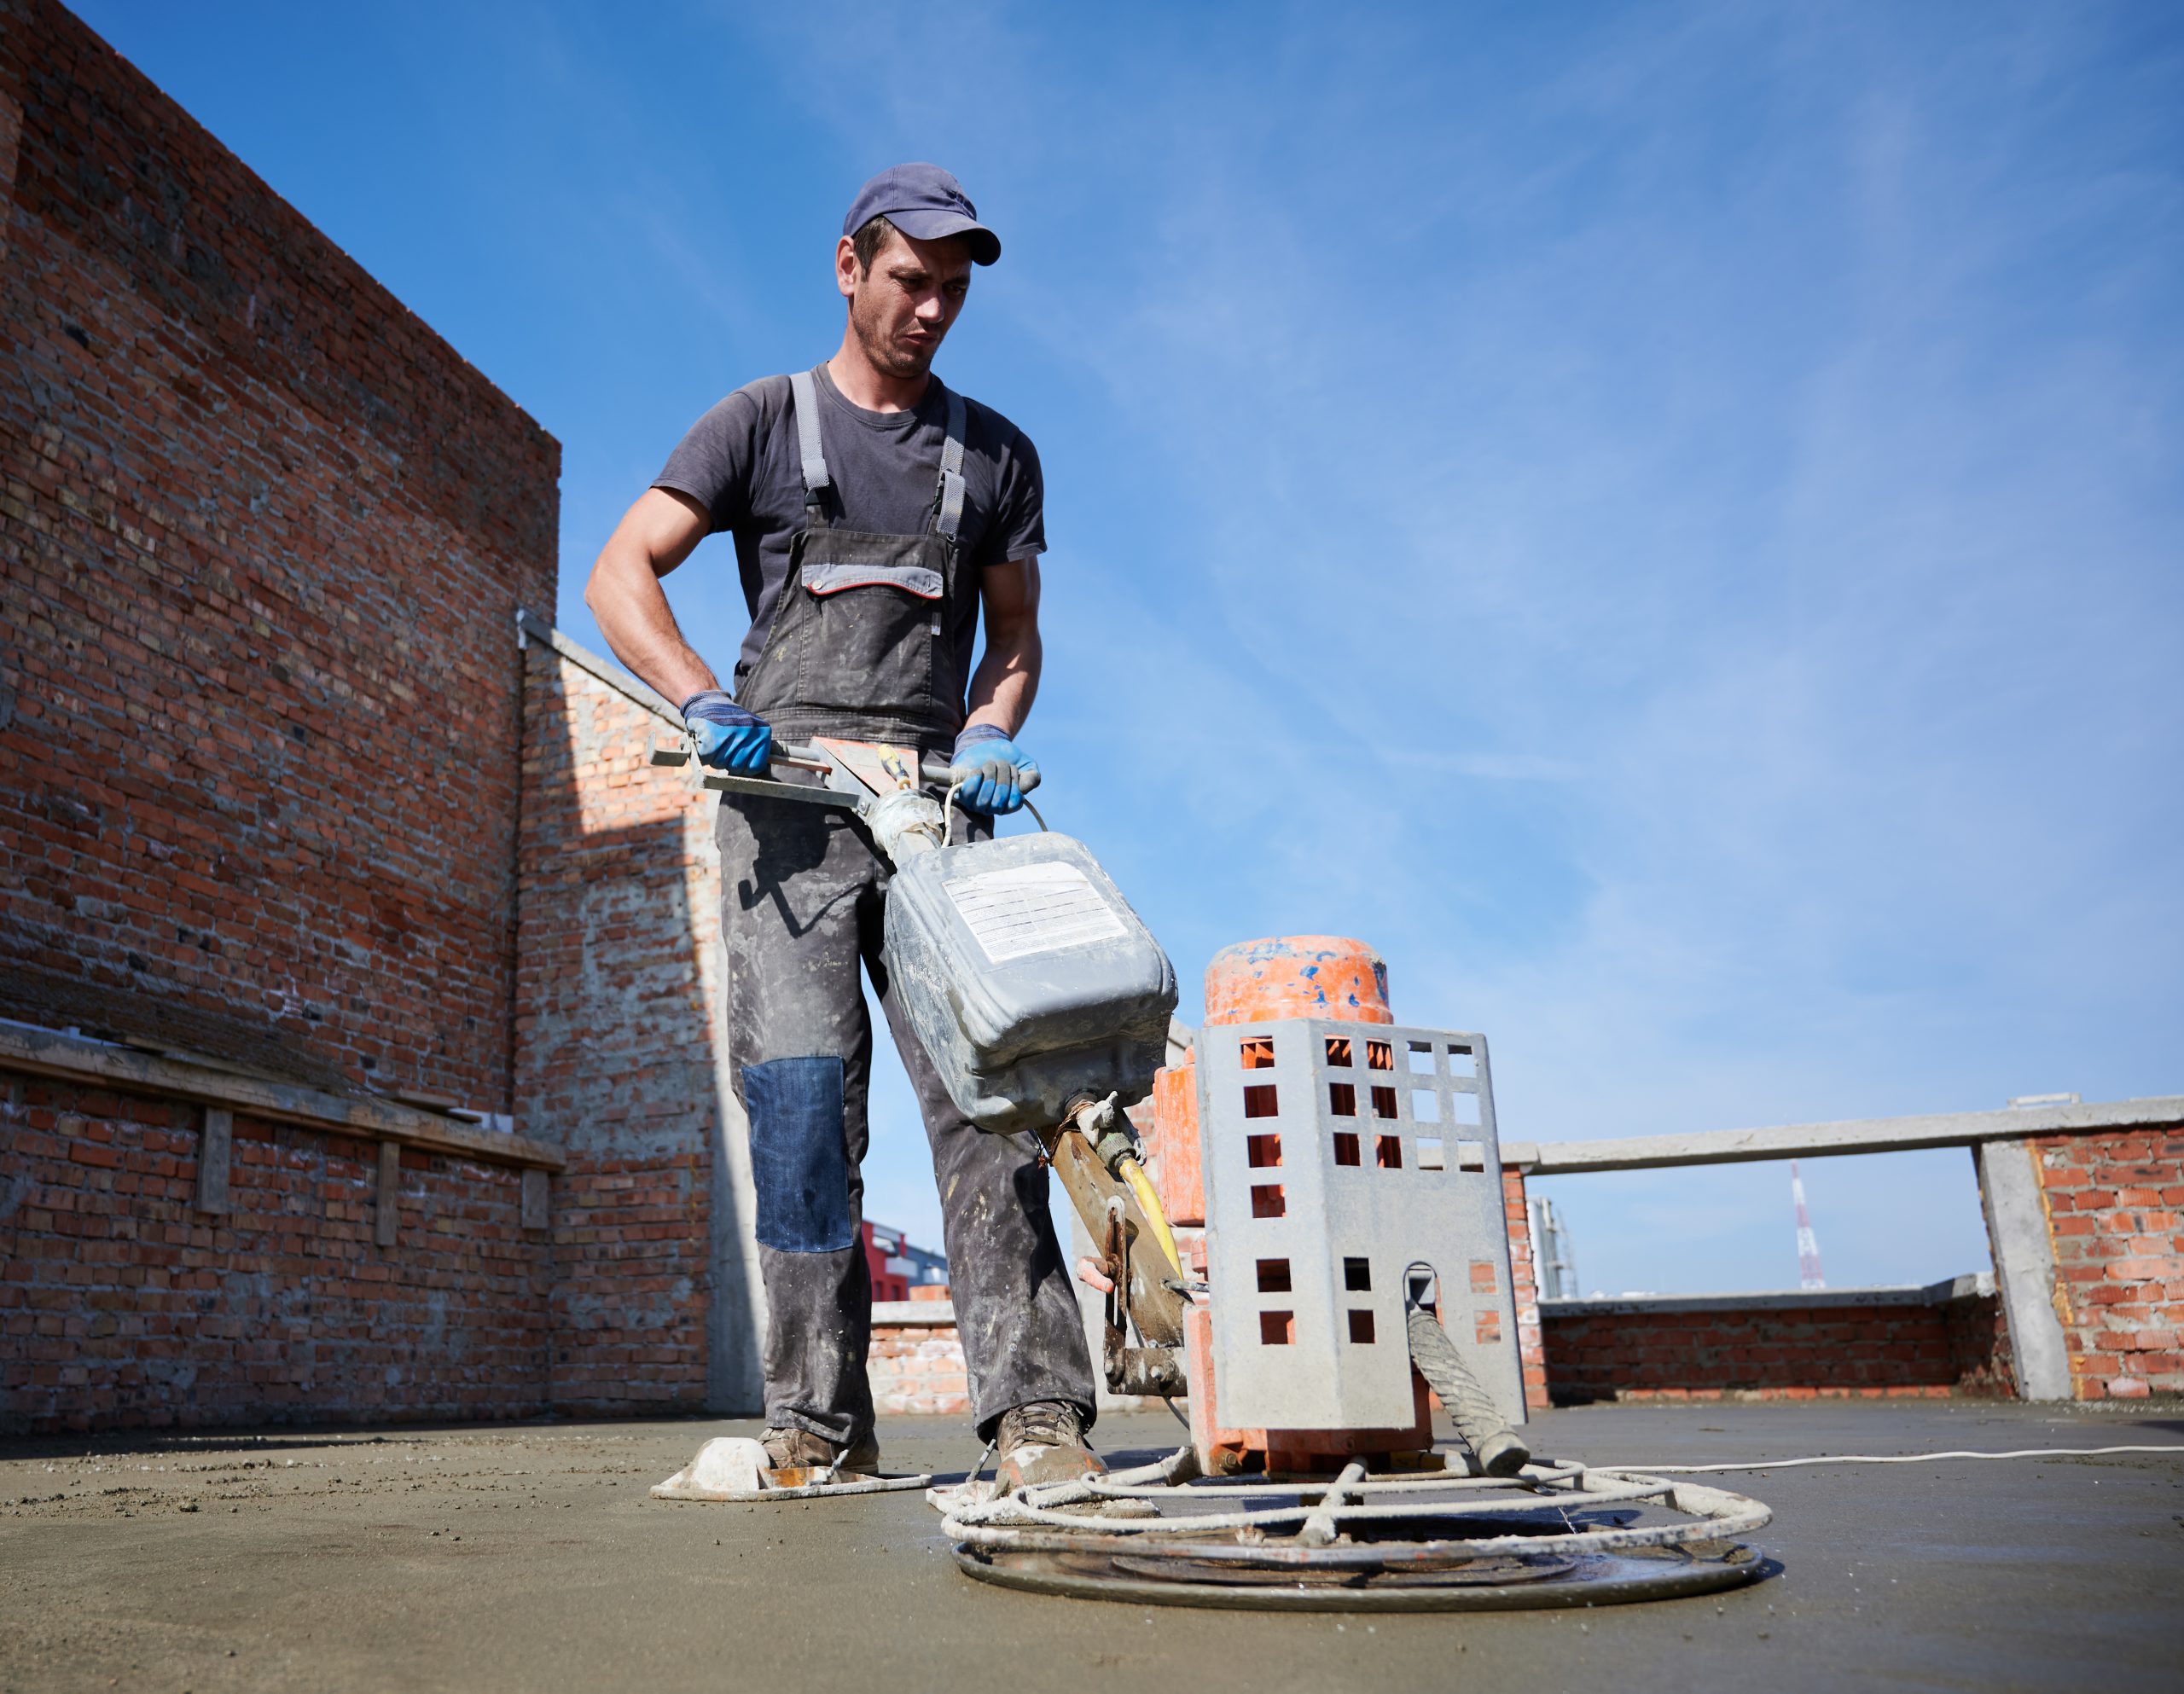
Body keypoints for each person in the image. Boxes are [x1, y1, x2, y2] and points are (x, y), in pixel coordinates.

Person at [583, 164, 1100, 1488]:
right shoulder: (761, 423)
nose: (933, 306)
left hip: (934, 815)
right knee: (804, 1112)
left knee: (991, 1103)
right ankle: (816, 1425)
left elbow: (1019, 640)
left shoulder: (994, 454)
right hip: (790, 816)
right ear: (848, 266)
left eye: (955, 286)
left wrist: (989, 732)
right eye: (911, 278)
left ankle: (1037, 1419)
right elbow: (618, 570)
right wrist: (703, 700)